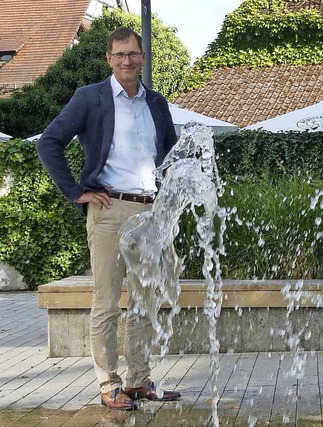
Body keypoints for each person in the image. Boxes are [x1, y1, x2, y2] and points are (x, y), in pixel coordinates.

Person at [36, 26, 180, 410]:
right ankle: (109, 385)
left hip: (150, 212)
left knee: (145, 302)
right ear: (108, 59)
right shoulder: (90, 98)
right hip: (109, 209)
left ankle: (138, 381)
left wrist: (169, 197)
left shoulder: (157, 103)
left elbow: (169, 154)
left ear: (143, 57)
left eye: (132, 54)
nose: (126, 61)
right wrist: (76, 191)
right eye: (118, 55)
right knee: (106, 302)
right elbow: (49, 142)